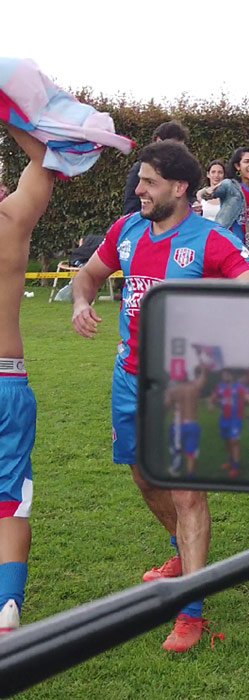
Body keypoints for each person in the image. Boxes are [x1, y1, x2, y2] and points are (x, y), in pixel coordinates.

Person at [71, 140, 249, 652]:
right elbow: (88, 276)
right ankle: (182, 550)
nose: (139, 189)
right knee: (143, 475)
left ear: (179, 188)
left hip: (187, 384)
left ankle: (192, 609)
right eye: (140, 180)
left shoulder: (210, 239)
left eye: (149, 181)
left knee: (185, 492)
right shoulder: (127, 229)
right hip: (130, 377)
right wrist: (79, 303)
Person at [0, 126, 54, 634]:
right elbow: (47, 161)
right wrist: (13, 111)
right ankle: (7, 606)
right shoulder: (12, 222)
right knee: (9, 501)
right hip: (7, 382)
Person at [199, 146, 249, 244]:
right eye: (246, 161)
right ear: (238, 166)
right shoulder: (229, 185)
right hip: (225, 240)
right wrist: (208, 192)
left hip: (244, 243)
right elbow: (210, 194)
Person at [122, 120, 188, 215]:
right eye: (174, 147)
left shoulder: (182, 169)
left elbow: (187, 197)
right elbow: (131, 206)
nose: (179, 152)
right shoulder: (140, 168)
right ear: (159, 141)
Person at [166, 365, 207, 478]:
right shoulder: (194, 388)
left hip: (178, 425)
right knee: (191, 453)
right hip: (192, 424)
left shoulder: (173, 390)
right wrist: (203, 367)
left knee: (177, 448)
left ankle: (176, 468)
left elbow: (167, 404)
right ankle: (190, 476)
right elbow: (203, 377)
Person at [212, 369, 247, 477]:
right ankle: (231, 461)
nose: (225, 376)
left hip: (235, 419)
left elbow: (248, 398)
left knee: (234, 441)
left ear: (232, 376)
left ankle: (236, 468)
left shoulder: (239, 387)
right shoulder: (220, 387)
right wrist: (212, 403)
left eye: (227, 374)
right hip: (224, 419)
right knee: (227, 442)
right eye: (223, 374)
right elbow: (214, 397)